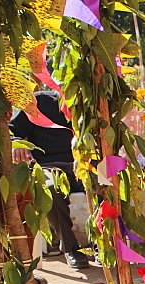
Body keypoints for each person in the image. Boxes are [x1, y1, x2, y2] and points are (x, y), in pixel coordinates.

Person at [10, 90, 91, 269]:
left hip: (85, 164)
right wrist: (17, 143)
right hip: (50, 165)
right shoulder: (40, 101)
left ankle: (102, 246)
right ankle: (70, 248)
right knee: (52, 189)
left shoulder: (91, 99)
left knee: (106, 185)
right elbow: (11, 130)